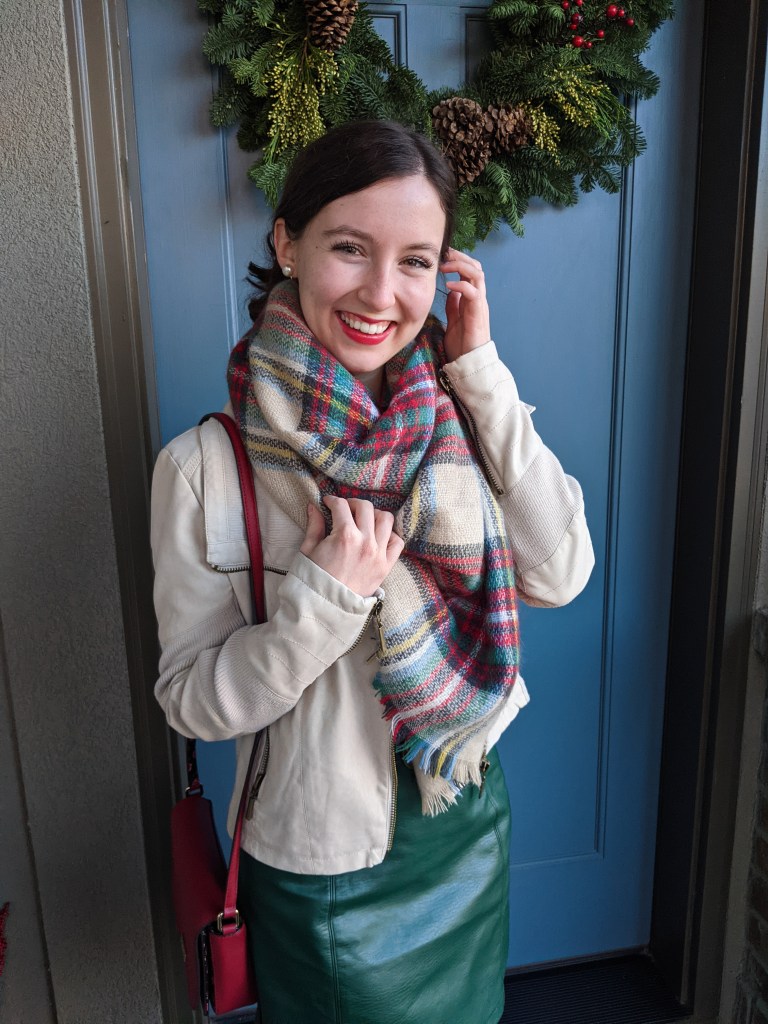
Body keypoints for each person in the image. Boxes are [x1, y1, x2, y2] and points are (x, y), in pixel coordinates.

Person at [151, 119, 594, 1024]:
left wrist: (482, 372)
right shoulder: (203, 469)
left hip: (461, 815)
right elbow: (191, 701)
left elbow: (562, 572)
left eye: (416, 261)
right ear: (287, 243)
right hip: (322, 872)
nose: (382, 294)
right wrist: (325, 601)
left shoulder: (460, 418)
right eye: (349, 248)